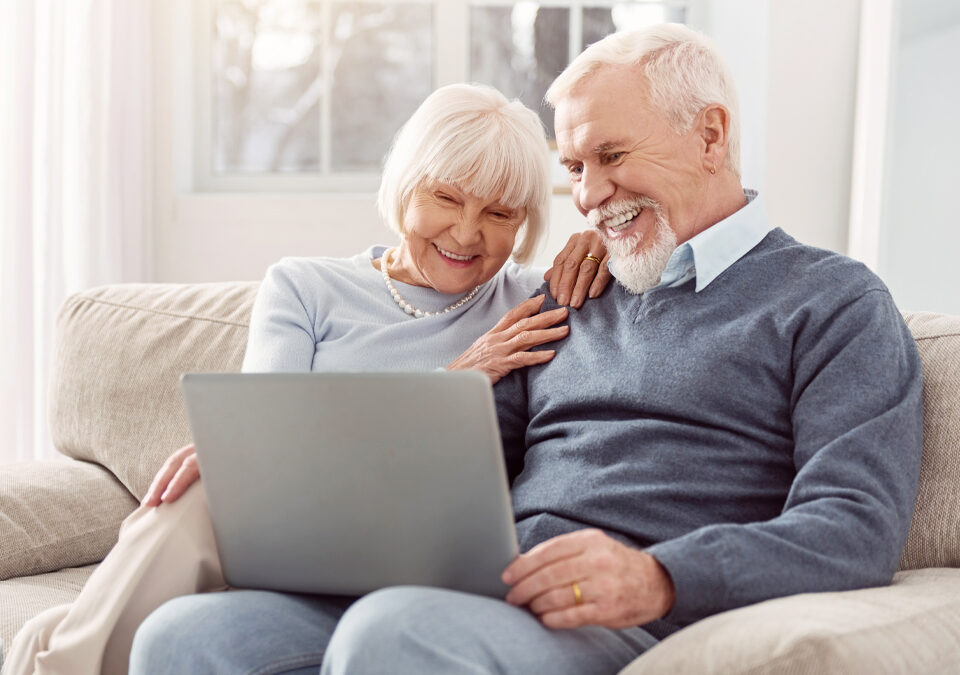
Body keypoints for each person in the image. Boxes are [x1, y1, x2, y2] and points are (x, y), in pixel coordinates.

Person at [117, 23, 923, 675]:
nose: (589, 195)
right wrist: (276, 464)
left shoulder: (832, 301)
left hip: (630, 615)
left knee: (394, 635)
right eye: (574, 167)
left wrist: (657, 574)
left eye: (612, 156)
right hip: (488, 589)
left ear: (710, 135)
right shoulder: (569, 292)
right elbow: (461, 462)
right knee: (185, 637)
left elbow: (854, 524)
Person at [3, 83, 614, 675]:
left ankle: (56, 657)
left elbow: (642, 280)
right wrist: (457, 378)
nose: (467, 233)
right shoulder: (305, 287)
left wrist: (603, 240)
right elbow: (269, 443)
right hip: (301, 539)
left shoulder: (533, 302)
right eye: (448, 199)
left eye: (499, 213)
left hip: (430, 562)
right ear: (405, 187)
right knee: (208, 476)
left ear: (525, 221)